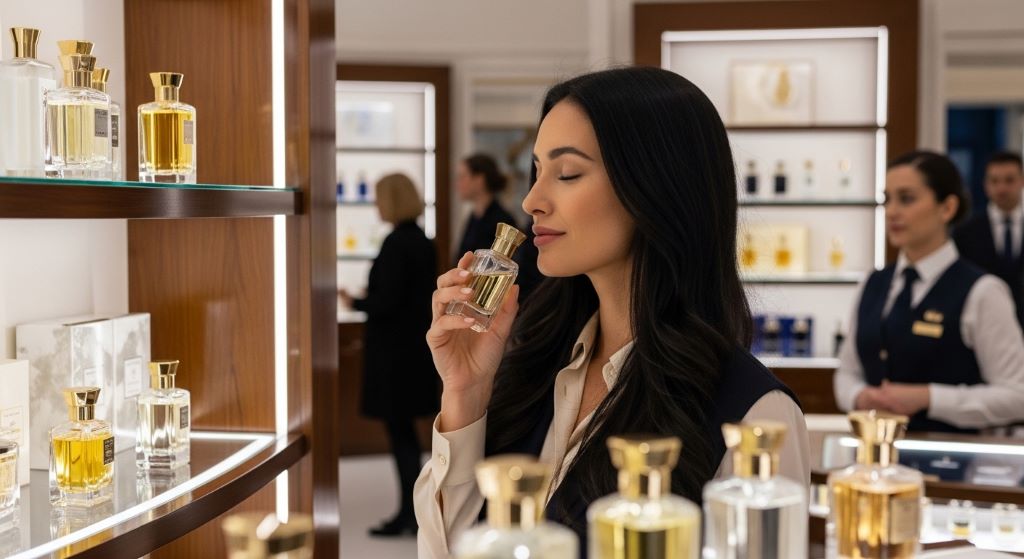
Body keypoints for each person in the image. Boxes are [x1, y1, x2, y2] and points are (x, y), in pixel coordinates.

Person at [414, 67, 809, 557]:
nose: (532, 201)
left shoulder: (751, 412)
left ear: (656, 187)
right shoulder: (535, 366)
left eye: (567, 173)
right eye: (537, 171)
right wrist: (466, 392)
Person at [834, 151, 1024, 434]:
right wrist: (860, 396)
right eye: (887, 199)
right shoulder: (872, 283)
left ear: (947, 208)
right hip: (875, 454)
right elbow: (847, 372)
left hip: (953, 456)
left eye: (906, 199)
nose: (892, 211)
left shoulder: (983, 292)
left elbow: (1017, 396)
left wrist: (929, 398)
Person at [339, 173, 438, 537]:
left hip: (396, 356)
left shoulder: (397, 243)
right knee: (405, 435)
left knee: (402, 437)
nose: (376, 205)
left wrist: (356, 301)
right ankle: (412, 511)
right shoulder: (421, 241)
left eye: (380, 199)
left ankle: (409, 514)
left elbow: (388, 302)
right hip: (413, 352)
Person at [454, 153, 542, 301]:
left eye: (463, 177)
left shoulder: (502, 221)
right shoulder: (473, 217)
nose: (457, 183)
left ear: (479, 180)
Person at [954, 151, 1024, 326]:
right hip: (982, 321)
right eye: (994, 181)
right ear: (985, 184)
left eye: (1009, 180)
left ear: (1021, 181)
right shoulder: (965, 232)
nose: (1002, 188)